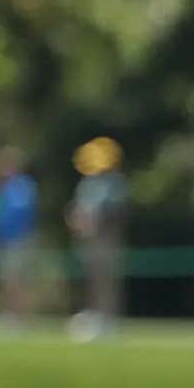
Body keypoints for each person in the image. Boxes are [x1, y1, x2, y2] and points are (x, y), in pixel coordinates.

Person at [67, 137, 128, 340]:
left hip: (106, 239)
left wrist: (96, 224)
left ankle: (108, 320)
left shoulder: (115, 182)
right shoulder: (88, 182)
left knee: (106, 281)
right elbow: (78, 209)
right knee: (92, 280)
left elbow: (115, 213)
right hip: (88, 240)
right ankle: (94, 316)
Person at [0, 147, 39, 325]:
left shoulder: (22, 186)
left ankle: (20, 317)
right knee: (6, 280)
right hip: (2, 242)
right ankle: (9, 315)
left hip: (19, 241)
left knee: (18, 280)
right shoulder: (2, 188)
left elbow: (22, 213)